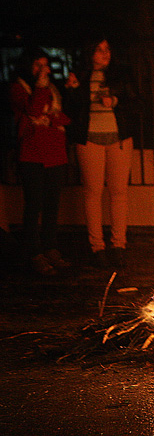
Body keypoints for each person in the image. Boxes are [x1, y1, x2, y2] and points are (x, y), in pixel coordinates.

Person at [64, 38, 138, 268]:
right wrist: (73, 89)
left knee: (118, 193)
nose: (105, 54)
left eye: (107, 49)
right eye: (99, 50)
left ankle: (119, 245)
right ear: (90, 53)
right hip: (90, 140)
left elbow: (135, 101)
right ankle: (97, 247)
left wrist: (115, 100)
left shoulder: (120, 74)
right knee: (93, 193)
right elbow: (72, 110)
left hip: (119, 139)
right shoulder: (81, 75)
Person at [9, 49, 72, 275]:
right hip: (32, 153)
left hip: (55, 152)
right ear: (28, 66)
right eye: (37, 65)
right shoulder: (19, 87)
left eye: (45, 66)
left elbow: (63, 117)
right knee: (34, 204)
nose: (42, 70)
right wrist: (41, 88)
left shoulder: (52, 90)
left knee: (51, 205)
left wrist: (49, 116)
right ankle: (34, 252)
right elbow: (34, 108)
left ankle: (50, 247)